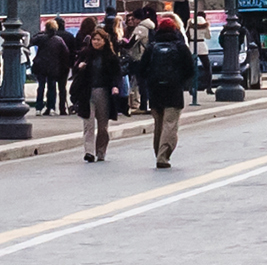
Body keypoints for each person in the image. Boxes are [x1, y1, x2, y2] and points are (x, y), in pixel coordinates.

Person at [134, 13, 200, 168]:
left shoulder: (152, 47)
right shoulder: (180, 46)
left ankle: (158, 153)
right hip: (173, 88)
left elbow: (141, 69)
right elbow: (190, 69)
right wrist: (181, 81)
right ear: (175, 29)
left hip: (155, 89)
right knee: (170, 123)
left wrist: (150, 81)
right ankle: (163, 156)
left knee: (158, 123)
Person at [66, 18, 120, 164]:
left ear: (104, 41)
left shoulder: (110, 57)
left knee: (103, 126)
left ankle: (101, 151)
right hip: (87, 92)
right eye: (94, 39)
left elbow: (116, 74)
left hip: (103, 92)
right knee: (88, 124)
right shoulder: (85, 54)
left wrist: (115, 86)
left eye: (99, 40)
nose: (96, 42)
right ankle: (89, 152)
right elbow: (75, 70)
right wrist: (79, 67)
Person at [32, 19, 70, 117]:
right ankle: (51, 107)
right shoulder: (58, 40)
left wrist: (41, 33)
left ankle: (38, 108)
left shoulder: (41, 38)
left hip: (41, 65)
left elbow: (32, 41)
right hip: (53, 66)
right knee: (52, 87)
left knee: (41, 86)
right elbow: (65, 52)